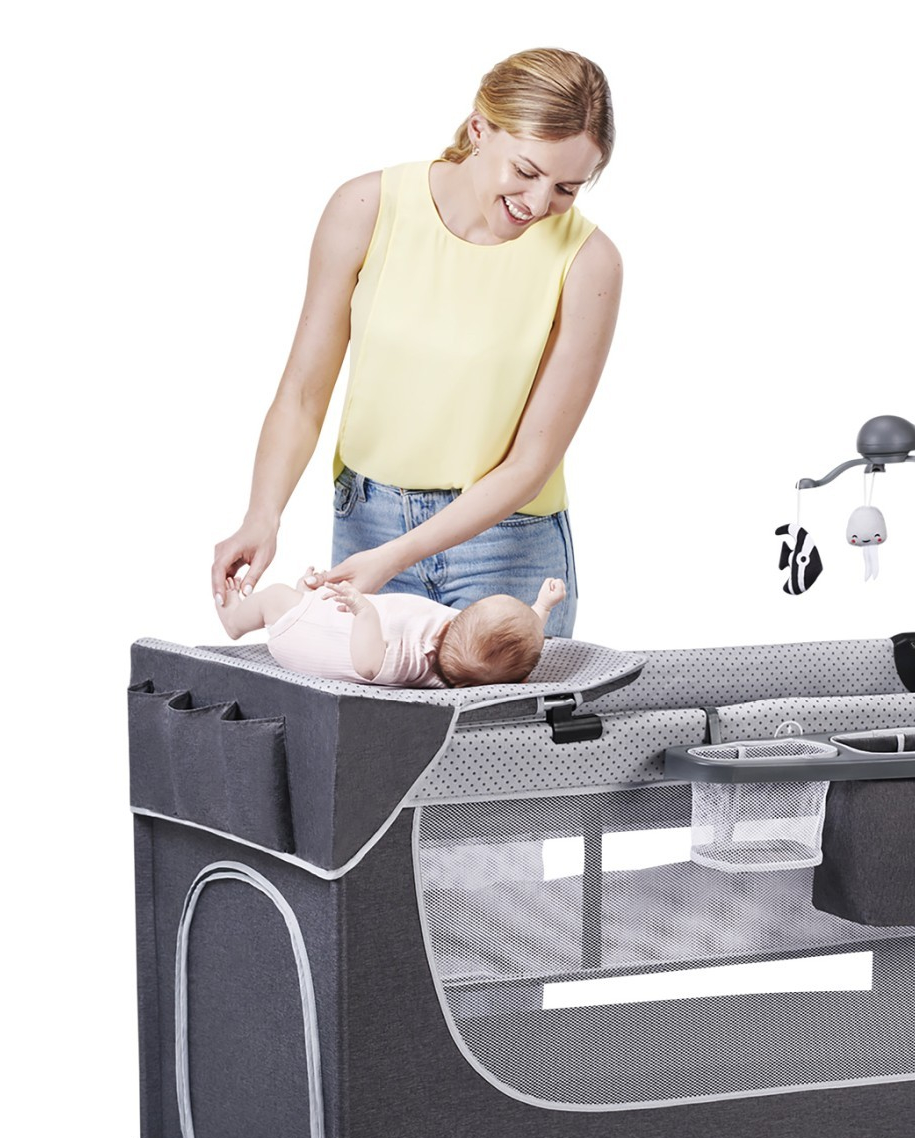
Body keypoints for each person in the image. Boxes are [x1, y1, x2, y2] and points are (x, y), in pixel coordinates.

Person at [211, 48, 621, 639]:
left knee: (502, 709)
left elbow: (530, 464)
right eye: (526, 171)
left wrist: (398, 555)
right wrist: (262, 514)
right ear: (479, 129)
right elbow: (302, 395)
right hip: (368, 525)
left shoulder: (589, 263)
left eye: (566, 188)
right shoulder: (366, 208)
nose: (537, 204)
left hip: (508, 546)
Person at [216, 568, 567, 688]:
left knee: (275, 596)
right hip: (327, 627)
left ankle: (235, 620)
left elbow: (368, 665)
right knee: (303, 597)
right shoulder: (476, 658)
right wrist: (543, 606)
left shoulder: (416, 660)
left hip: (304, 641)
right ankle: (307, 599)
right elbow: (523, 639)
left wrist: (364, 613)